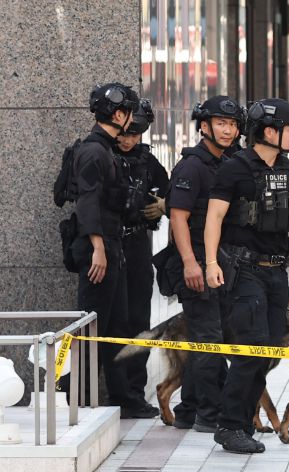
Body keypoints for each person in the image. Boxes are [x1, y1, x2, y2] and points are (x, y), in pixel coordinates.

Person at [204, 98, 289, 454]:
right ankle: (229, 425)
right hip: (243, 271)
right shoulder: (234, 169)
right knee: (251, 348)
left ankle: (244, 423)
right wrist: (210, 263)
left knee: (265, 352)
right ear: (268, 131)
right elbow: (214, 217)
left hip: (276, 272)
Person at [67, 83, 154, 417]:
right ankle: (78, 399)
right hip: (99, 250)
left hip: (112, 248)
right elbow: (88, 203)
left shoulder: (104, 149)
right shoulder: (93, 151)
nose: (131, 120)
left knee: (116, 327)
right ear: (118, 114)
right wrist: (99, 248)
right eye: (129, 112)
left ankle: (124, 398)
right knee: (92, 327)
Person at [166, 95, 245, 433]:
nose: (228, 130)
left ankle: (187, 410)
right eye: (221, 123)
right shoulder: (192, 166)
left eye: (232, 124)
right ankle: (209, 415)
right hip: (196, 262)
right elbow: (178, 218)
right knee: (209, 339)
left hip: (218, 263)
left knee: (206, 339)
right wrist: (190, 264)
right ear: (204, 126)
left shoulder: (226, 163)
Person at [113, 98, 168, 415]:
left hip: (137, 245)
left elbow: (172, 191)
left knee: (138, 321)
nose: (127, 140)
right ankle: (117, 392)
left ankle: (134, 392)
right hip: (110, 244)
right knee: (115, 322)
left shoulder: (147, 161)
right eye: (124, 133)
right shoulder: (103, 154)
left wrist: (162, 206)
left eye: (134, 135)